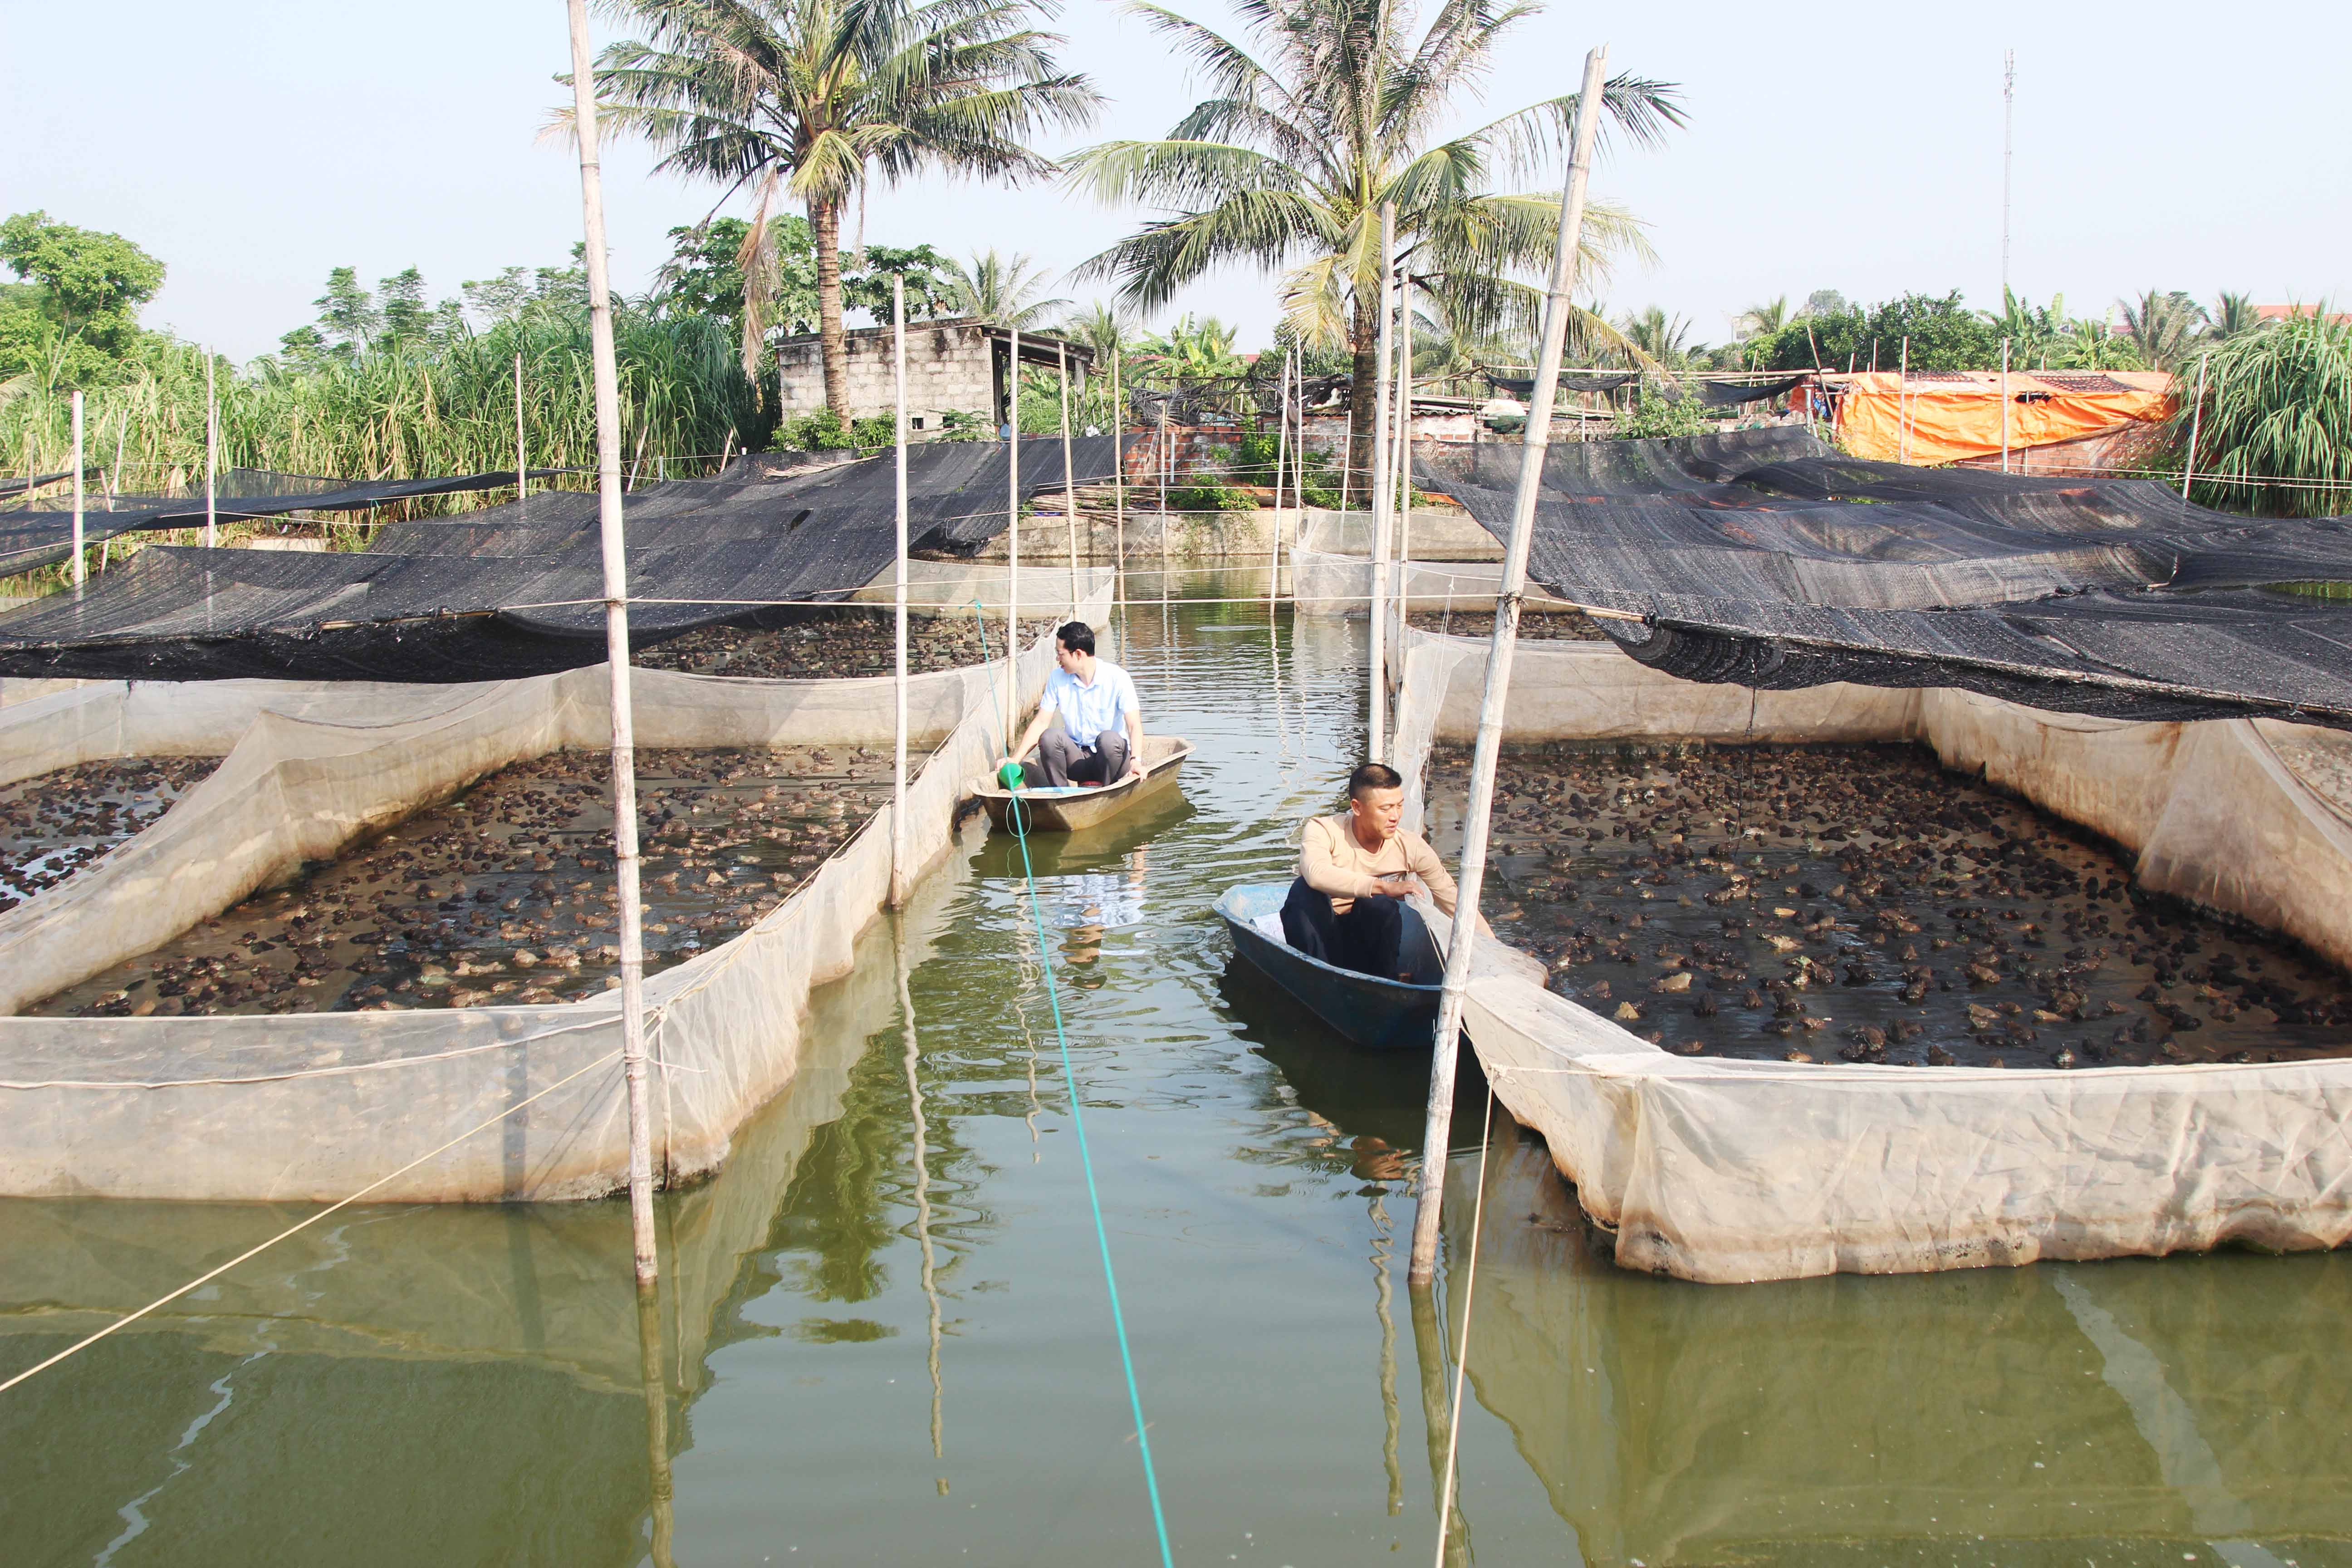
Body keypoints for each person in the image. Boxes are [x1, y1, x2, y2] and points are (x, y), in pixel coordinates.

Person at [1281, 762, 1454, 985]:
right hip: (1321, 938)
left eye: (1399, 806)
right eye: (1385, 809)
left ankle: (1383, 985)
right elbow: (1316, 873)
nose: (1395, 816)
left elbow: (1453, 901)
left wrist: (1495, 950)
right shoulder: (1324, 830)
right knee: (1304, 890)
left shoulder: (1411, 846)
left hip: (1364, 947)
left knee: (1380, 905)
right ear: (1357, 807)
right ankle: (1319, 981)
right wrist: (1384, 886)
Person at [1001, 621, 1146, 788]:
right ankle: (1063, 795)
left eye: (1060, 654)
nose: (1058, 659)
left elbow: (1134, 724)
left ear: (1078, 654)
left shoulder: (1118, 678)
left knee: (1108, 740)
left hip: (1112, 761)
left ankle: (1108, 791)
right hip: (1078, 760)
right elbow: (1041, 722)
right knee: (1049, 737)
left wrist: (1136, 761)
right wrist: (1015, 759)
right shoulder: (1057, 678)